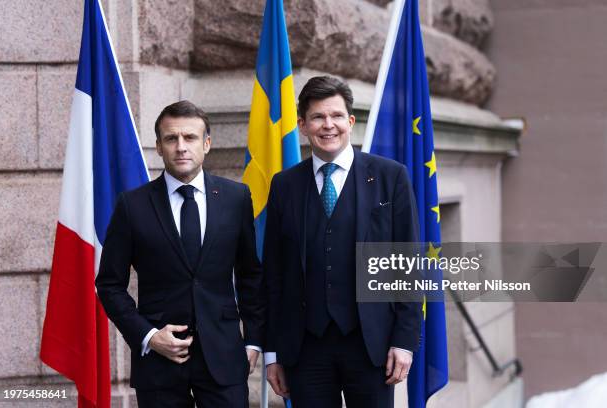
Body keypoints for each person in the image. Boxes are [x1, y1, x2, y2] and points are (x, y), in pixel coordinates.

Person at [263, 76, 421, 408]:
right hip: (305, 348)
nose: (328, 125)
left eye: (336, 116)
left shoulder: (390, 177)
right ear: (302, 125)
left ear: (350, 121)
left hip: (372, 345)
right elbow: (274, 275)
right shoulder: (284, 185)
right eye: (318, 117)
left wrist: (404, 341)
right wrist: (272, 352)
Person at [96, 100, 264, 408]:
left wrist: (253, 339)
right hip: (159, 364)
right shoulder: (132, 206)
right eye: (171, 139)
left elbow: (250, 274)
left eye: (190, 138)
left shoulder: (236, 198)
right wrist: (147, 336)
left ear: (207, 144)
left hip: (224, 357)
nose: (181, 147)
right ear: (159, 146)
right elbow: (108, 285)